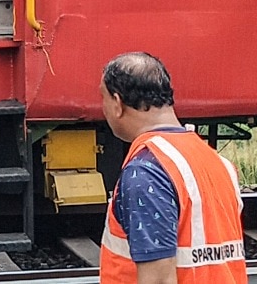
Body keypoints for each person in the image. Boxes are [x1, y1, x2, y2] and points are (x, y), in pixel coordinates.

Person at [98, 52, 247, 284]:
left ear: (117, 103)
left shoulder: (147, 171)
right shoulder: (217, 163)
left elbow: (158, 279)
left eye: (103, 98)